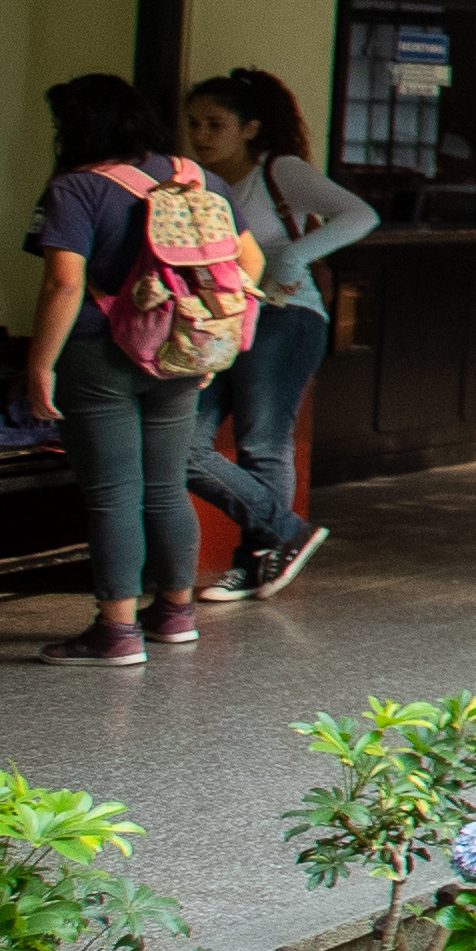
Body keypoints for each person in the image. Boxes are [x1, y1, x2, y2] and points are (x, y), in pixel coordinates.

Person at [18, 74, 258, 668]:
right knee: (165, 484)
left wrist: (39, 364)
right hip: (179, 352)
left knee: (112, 494)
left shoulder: (76, 188)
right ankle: (175, 614)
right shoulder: (198, 178)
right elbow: (248, 262)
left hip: (100, 352)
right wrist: (205, 336)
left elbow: (63, 282)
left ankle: (116, 630)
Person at [176, 69, 371, 602]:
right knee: (183, 443)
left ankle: (256, 560)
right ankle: (285, 534)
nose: (202, 135)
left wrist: (294, 254)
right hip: (222, 322)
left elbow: (360, 214)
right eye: (194, 124)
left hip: (285, 316)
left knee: (261, 440)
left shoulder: (279, 171)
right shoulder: (200, 181)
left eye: (216, 124)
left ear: (251, 128)